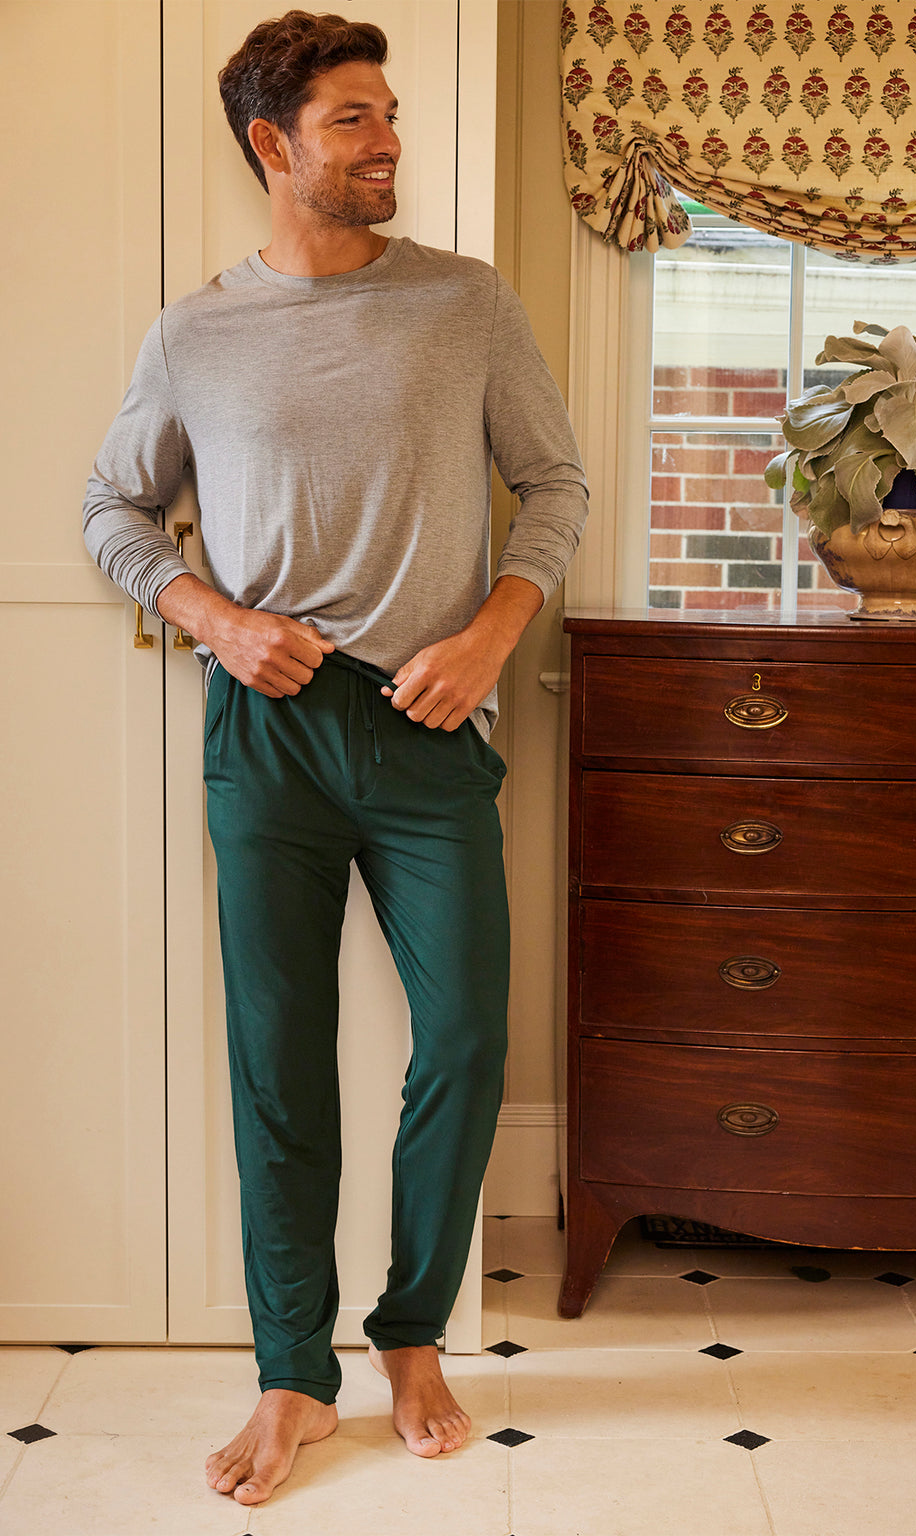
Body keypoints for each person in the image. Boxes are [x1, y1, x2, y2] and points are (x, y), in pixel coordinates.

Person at [82, 6, 586, 1510]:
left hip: (434, 726)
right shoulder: (194, 332)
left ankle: (413, 1335)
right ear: (273, 147)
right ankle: (292, 1369)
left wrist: (495, 631)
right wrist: (213, 619)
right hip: (270, 735)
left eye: (388, 116)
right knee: (279, 1070)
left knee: (469, 1043)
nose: (388, 142)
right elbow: (112, 513)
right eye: (354, 120)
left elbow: (551, 482)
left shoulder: (469, 304)